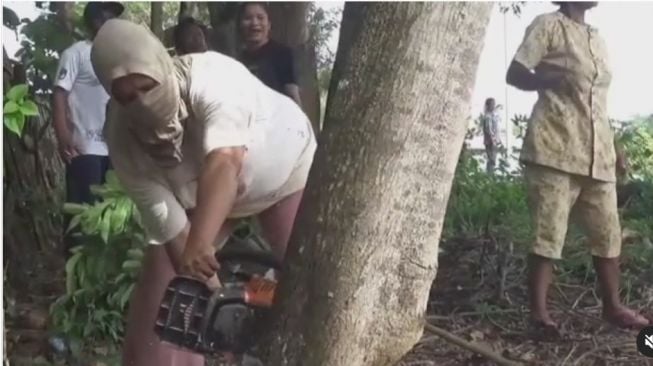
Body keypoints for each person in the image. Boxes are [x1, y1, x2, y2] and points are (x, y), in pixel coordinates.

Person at [90, 19, 317, 366]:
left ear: (162, 67)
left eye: (147, 86)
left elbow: (226, 162)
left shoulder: (213, 76)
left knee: (311, 280)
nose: (142, 103)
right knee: (170, 297)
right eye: (127, 96)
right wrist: (215, 296)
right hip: (202, 197)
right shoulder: (123, 142)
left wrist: (200, 244)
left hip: (286, 172)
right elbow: (173, 230)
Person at [506, 1, 651, 332]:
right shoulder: (548, 25)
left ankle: (613, 307)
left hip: (598, 156)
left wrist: (616, 147)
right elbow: (515, 73)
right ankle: (539, 315)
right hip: (555, 148)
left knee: (608, 233)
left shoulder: (595, 38)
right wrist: (544, 79)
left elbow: (597, 102)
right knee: (549, 233)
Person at [52, 1, 124, 254]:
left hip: (114, 149)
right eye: (108, 16)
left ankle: (102, 272)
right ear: (94, 21)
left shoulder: (119, 56)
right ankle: (75, 271)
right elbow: (59, 95)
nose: (113, 22)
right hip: (84, 146)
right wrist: (63, 136)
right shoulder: (76, 53)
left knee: (111, 213)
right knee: (82, 210)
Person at [237, 2, 302, 106]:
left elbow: (292, 95)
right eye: (248, 18)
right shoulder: (237, 62)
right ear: (240, 25)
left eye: (260, 17)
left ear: (269, 24)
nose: (254, 22)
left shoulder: (282, 54)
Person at [481, 97, 501, 173]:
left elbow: (495, 129)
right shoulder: (488, 116)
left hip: (493, 141)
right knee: (491, 160)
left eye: (494, 104)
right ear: (488, 106)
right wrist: (493, 140)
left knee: (493, 159)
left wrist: (498, 139)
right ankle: (490, 176)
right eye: (492, 104)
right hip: (490, 142)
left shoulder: (493, 115)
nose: (493, 106)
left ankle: (491, 175)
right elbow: (488, 130)